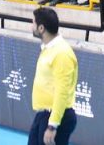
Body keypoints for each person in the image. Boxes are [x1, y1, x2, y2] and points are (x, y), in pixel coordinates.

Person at [30, 7, 79, 145]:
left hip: (57, 117)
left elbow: (62, 91)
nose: (31, 26)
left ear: (41, 28)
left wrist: (52, 125)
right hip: (43, 114)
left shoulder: (62, 54)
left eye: (33, 23)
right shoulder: (49, 48)